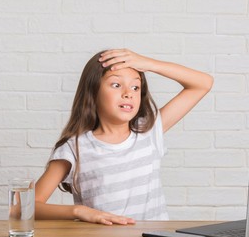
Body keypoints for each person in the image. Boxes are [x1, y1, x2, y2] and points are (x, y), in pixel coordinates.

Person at [34, 49, 213, 225]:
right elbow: (23, 208)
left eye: (135, 87)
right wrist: (79, 211)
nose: (128, 93)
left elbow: (203, 83)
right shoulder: (75, 148)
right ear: (93, 91)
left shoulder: (149, 131)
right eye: (116, 85)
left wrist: (149, 64)